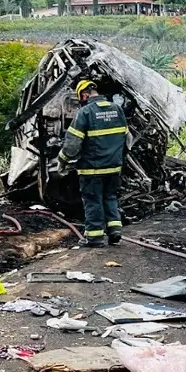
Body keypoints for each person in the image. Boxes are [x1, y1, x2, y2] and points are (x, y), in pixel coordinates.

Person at [58, 80, 128, 248]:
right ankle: (114, 231)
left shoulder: (85, 112)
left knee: (93, 200)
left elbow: (72, 144)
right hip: (114, 166)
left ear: (84, 95)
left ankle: (94, 237)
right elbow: (126, 137)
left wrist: (63, 160)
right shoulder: (117, 109)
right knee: (110, 197)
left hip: (92, 168)